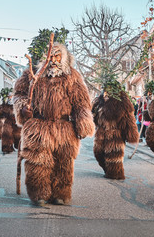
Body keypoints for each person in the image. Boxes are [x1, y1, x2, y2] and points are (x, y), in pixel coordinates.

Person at [13, 42, 94, 206]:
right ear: (45, 56)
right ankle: (39, 194)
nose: (54, 60)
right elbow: (18, 95)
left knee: (63, 163)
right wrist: (23, 109)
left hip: (64, 127)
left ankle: (61, 194)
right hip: (38, 125)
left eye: (58, 56)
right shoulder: (32, 75)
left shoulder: (72, 76)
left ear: (64, 58)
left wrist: (83, 122)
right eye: (51, 56)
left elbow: (81, 102)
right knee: (38, 162)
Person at [92, 83, 139, 180]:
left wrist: (131, 134)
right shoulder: (99, 102)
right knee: (98, 153)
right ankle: (108, 171)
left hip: (115, 135)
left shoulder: (122, 103)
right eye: (104, 91)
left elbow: (129, 119)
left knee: (114, 158)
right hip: (101, 134)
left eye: (108, 92)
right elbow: (95, 118)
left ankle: (116, 174)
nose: (105, 94)